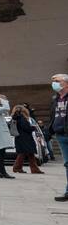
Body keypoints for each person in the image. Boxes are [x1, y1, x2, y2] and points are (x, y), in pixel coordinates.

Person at [49, 73, 68, 201]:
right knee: (67, 164)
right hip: (61, 135)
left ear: (66, 83)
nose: (54, 83)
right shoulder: (56, 99)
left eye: (57, 81)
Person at [11, 105, 43, 174]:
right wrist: (33, 128)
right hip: (25, 138)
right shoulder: (21, 118)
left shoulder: (15, 118)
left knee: (26, 153)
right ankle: (18, 168)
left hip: (19, 137)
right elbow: (26, 127)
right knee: (26, 153)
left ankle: (19, 168)